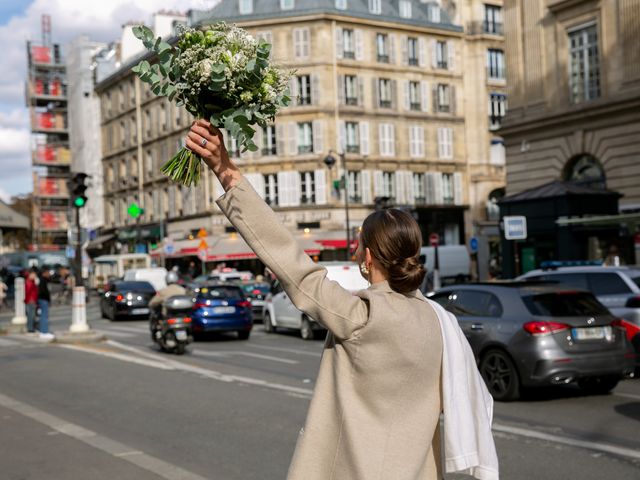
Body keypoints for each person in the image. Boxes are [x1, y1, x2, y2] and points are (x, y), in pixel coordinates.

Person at [186, 120, 498, 480]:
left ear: (368, 258)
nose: (354, 249)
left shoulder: (362, 317)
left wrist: (227, 172)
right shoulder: (438, 322)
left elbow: (293, 266)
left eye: (358, 242)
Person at [37, 269, 54, 340]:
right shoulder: (43, 280)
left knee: (43, 315)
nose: (49, 274)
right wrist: (48, 298)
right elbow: (44, 291)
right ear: (44, 273)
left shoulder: (43, 280)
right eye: (48, 273)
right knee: (44, 316)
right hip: (43, 299)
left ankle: (43, 331)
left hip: (42, 299)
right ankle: (44, 332)